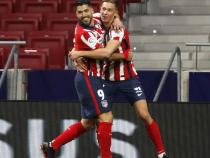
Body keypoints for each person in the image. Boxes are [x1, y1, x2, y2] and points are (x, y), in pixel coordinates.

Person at [69, 1, 169, 158]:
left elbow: (107, 53)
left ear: (115, 12)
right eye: (103, 9)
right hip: (106, 79)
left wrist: (80, 53)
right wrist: (75, 51)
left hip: (128, 78)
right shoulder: (95, 18)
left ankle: (161, 153)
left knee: (144, 114)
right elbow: (82, 29)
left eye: (109, 10)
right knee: (94, 120)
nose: (105, 13)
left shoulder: (118, 29)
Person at [40, 1, 118, 158]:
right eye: (80, 13)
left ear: (91, 10)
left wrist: (116, 18)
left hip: (93, 78)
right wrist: (78, 53)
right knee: (106, 116)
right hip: (89, 78)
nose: (84, 15)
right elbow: (104, 53)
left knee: (88, 123)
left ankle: (52, 146)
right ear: (76, 15)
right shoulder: (82, 32)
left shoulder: (96, 18)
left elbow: (110, 14)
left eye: (86, 11)